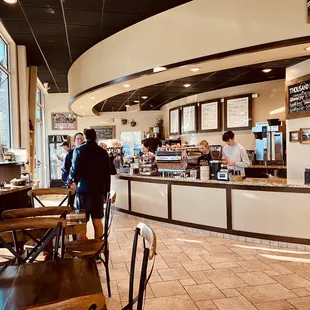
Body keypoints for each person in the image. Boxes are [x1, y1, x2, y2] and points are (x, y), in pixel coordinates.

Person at [68, 129, 111, 241]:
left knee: (81, 222)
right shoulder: (102, 152)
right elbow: (107, 174)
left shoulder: (78, 150)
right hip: (98, 191)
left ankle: (84, 251)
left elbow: (74, 169)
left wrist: (71, 179)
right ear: (95, 137)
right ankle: (97, 250)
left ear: (85, 137)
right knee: (97, 221)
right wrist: (106, 192)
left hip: (83, 190)